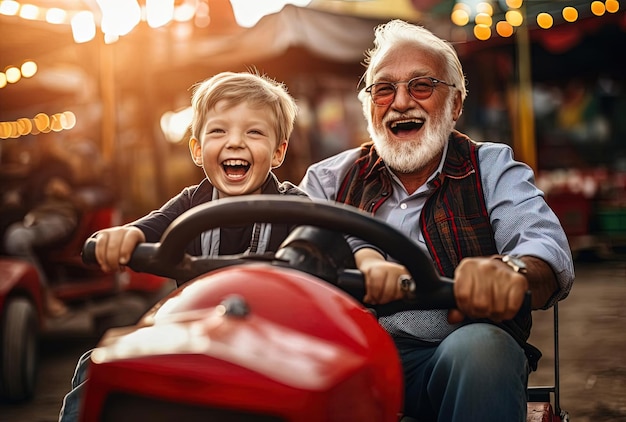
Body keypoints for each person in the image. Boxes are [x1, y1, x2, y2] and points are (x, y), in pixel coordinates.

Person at [299, 20, 574, 421]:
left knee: (483, 348)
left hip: (457, 359)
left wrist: (510, 272)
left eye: (421, 86)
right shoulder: (327, 179)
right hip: (353, 362)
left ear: (456, 105)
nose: (401, 103)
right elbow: (289, 259)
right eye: (384, 89)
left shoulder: (491, 167)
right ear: (369, 107)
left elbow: (545, 248)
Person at [59, 71, 305, 421]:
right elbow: (148, 228)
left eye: (254, 132)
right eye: (219, 131)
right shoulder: (191, 203)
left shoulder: (297, 205)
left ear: (279, 151)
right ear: (197, 148)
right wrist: (123, 235)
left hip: (275, 336)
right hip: (193, 331)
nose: (235, 142)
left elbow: (326, 243)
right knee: (95, 366)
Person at [3, 145, 81, 317]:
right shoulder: (32, 173)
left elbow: (68, 184)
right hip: (34, 216)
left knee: (17, 238)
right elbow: (24, 195)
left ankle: (45, 295)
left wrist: (60, 187)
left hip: (59, 216)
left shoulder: (60, 166)